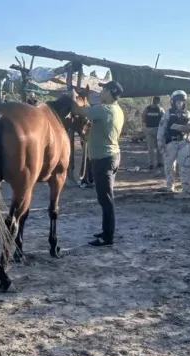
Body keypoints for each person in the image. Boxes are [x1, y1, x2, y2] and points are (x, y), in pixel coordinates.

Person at [86, 80, 125, 247]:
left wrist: (72, 97)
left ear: (110, 92)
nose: (100, 93)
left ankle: (108, 237)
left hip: (104, 159)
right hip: (111, 156)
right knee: (105, 198)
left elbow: (79, 110)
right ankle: (106, 230)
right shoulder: (117, 109)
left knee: (106, 199)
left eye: (103, 90)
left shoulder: (104, 109)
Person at [157, 90, 190, 194]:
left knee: (184, 166)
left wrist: (189, 142)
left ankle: (186, 188)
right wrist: (160, 143)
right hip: (171, 143)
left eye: (182, 101)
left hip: (184, 143)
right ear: (173, 102)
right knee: (169, 166)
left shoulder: (188, 114)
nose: (180, 103)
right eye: (177, 101)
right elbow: (161, 128)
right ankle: (170, 187)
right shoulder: (168, 113)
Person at [142, 96, 165, 170]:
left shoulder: (147, 108)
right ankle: (160, 162)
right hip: (157, 129)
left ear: (153, 101)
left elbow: (143, 117)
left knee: (150, 148)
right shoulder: (160, 109)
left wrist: (145, 125)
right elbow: (164, 119)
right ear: (158, 101)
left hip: (149, 129)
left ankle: (151, 164)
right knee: (159, 147)